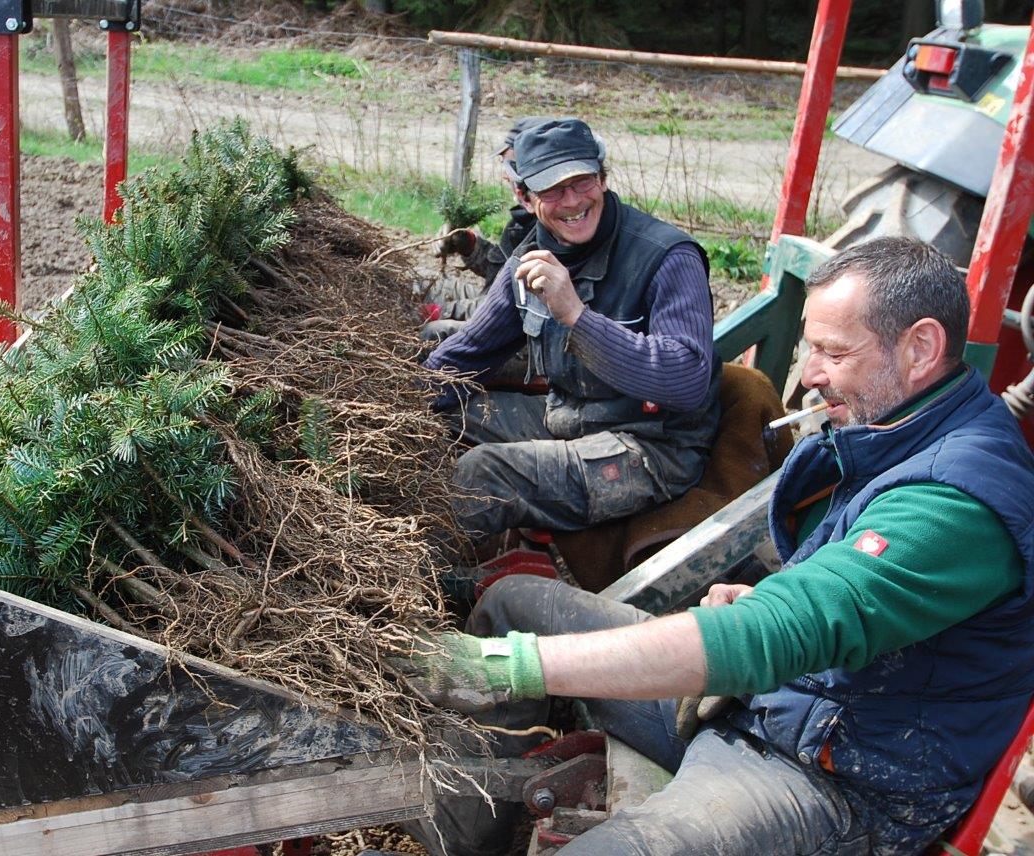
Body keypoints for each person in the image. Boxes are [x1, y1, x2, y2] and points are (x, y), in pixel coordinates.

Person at [397, 237, 1034, 855]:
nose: (810, 375)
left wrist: (514, 666)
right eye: (810, 348)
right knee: (514, 604)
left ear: (921, 347)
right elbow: (843, 598)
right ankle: (470, 830)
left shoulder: (959, 503)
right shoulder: (894, 427)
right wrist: (767, 595)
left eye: (834, 352)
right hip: (773, 701)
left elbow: (782, 633)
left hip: (835, 773)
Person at [425, 118, 720, 538]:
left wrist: (576, 316)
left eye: (583, 181)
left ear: (603, 178)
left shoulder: (667, 257)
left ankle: (430, 576)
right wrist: (395, 407)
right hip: (569, 420)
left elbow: (687, 380)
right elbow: (469, 352)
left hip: (650, 448)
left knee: (481, 474)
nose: (572, 200)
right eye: (552, 189)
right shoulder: (528, 260)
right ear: (524, 197)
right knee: (437, 421)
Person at [422, 116, 548, 338]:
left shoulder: (550, 229)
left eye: (510, 165)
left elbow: (507, 306)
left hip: (513, 332)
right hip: (490, 298)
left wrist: (441, 311)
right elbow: (502, 271)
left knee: (433, 333)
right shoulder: (526, 221)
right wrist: (469, 245)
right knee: (420, 282)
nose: (504, 174)